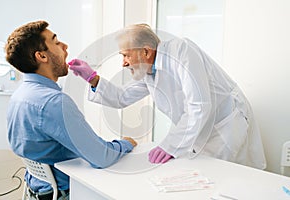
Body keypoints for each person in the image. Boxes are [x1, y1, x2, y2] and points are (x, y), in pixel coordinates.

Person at [69, 24, 266, 169]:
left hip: (225, 126)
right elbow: (122, 97)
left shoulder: (181, 51)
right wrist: (93, 79)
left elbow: (199, 104)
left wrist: (171, 145)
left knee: (229, 180)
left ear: (146, 51)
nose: (124, 63)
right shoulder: (148, 72)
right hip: (201, 132)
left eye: (126, 55)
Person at [5, 20, 137, 200]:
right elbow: (102, 157)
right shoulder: (53, 102)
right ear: (42, 56)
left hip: (36, 188)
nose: (65, 46)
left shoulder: (20, 95)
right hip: (64, 194)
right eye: (56, 42)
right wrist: (127, 143)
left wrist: (93, 79)